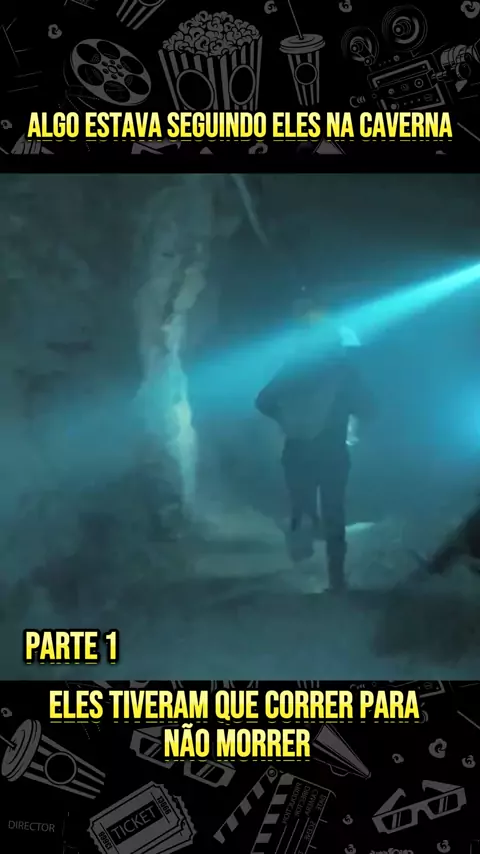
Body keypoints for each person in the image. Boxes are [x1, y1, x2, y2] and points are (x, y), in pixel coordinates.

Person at [255, 310, 374, 592]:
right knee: (334, 511)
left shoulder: (294, 367)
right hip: (333, 452)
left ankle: (302, 556)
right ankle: (336, 578)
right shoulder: (344, 372)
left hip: (297, 450)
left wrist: (286, 420)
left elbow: (263, 400)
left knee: (301, 505)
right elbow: (370, 408)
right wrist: (351, 420)